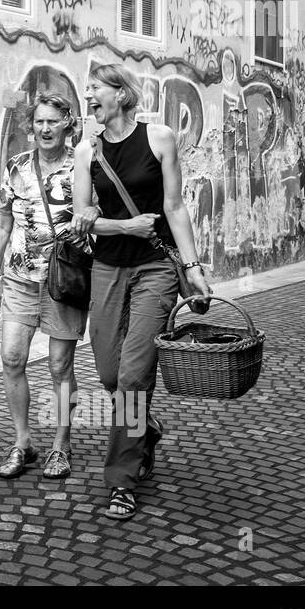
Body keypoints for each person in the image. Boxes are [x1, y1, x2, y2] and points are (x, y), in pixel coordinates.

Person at [71, 63, 212, 521]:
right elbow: (81, 219)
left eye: (95, 88)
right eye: (87, 88)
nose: (88, 95)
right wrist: (125, 225)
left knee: (133, 377)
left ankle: (122, 480)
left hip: (155, 268)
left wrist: (193, 270)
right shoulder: (84, 151)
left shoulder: (159, 138)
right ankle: (144, 427)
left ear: (121, 95)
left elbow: (174, 207)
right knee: (111, 374)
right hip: (107, 267)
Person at [0, 93, 89, 480]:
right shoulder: (15, 168)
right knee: (12, 359)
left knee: (60, 366)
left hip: (65, 282)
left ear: (67, 123)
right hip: (18, 278)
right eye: (39, 122)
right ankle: (23, 442)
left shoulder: (82, 168)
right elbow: (1, 224)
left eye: (53, 121)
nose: (45, 128)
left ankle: (61, 445)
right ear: (31, 127)